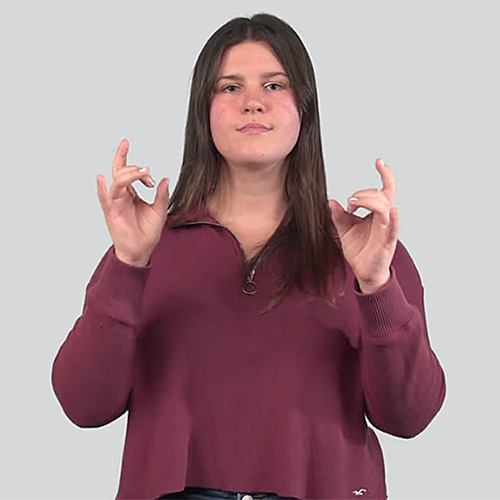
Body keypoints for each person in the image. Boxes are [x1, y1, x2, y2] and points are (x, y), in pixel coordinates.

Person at [51, 12, 446, 500]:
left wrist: (377, 288)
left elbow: (409, 417)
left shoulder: (366, 249)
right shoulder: (147, 246)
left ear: (304, 107)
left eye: (274, 85)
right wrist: (128, 264)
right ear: (204, 111)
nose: (253, 103)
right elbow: (84, 406)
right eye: (230, 88)